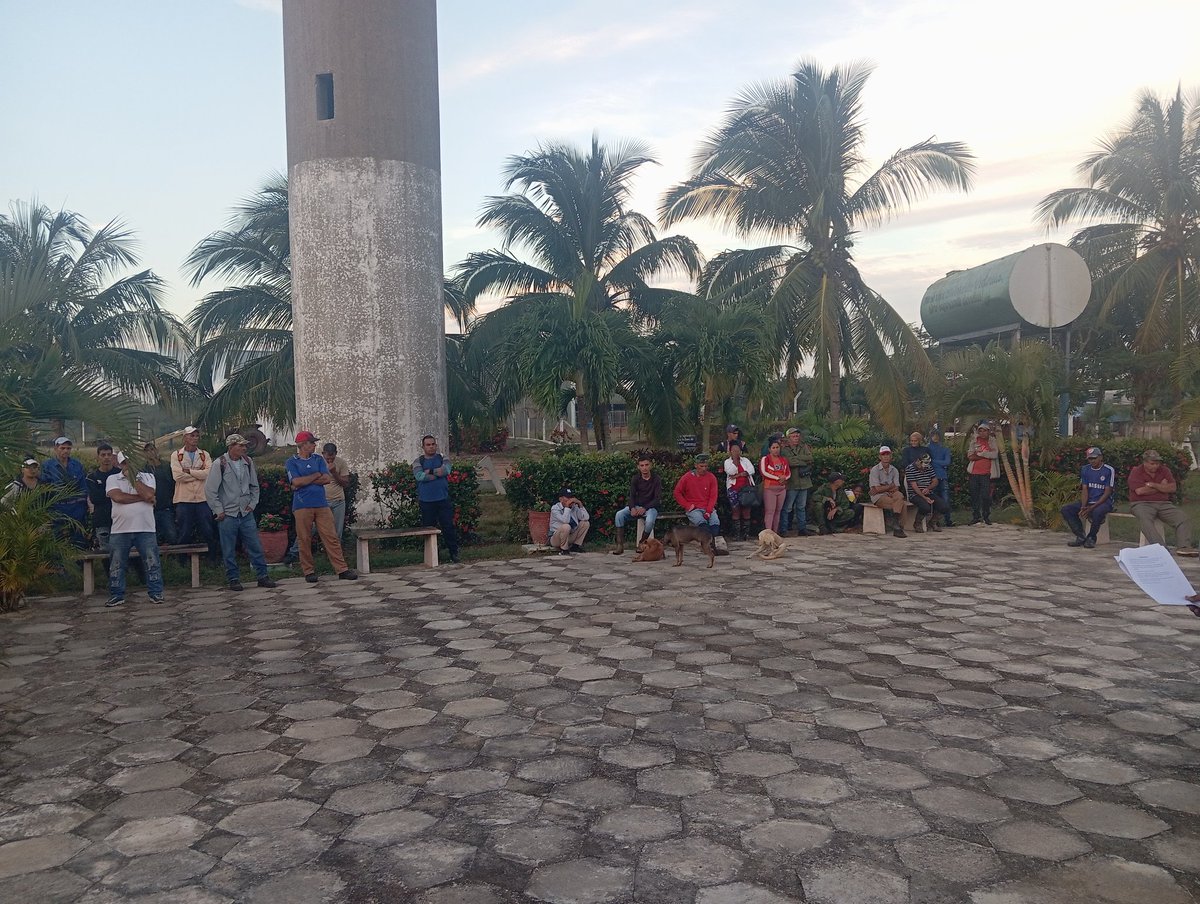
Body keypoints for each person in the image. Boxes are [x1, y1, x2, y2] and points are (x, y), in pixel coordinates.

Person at [205, 433, 279, 591]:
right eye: (241, 445)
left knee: (255, 546)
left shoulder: (248, 461)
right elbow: (211, 490)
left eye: (245, 445)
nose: (244, 448)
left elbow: (254, 486)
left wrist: (253, 503)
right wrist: (219, 510)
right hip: (228, 514)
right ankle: (233, 578)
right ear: (231, 447)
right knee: (228, 549)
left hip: (245, 512)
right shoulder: (220, 463)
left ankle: (262, 576)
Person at [286, 430, 357, 582]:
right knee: (304, 538)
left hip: (321, 504)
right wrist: (314, 476)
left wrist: (305, 480)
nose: (314, 445)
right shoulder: (292, 461)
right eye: (311, 442)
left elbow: (325, 479)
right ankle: (308, 571)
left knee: (331, 537)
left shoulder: (318, 459)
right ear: (303, 445)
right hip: (302, 505)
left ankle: (342, 569)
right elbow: (295, 482)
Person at [105, 451, 164, 607]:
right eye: (125, 463)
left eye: (131, 462)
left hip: (145, 527)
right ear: (119, 464)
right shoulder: (112, 478)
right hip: (120, 529)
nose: (128, 465)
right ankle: (117, 594)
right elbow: (118, 497)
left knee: (152, 562)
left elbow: (150, 493)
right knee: (117, 564)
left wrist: (133, 479)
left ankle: (156, 592)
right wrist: (144, 498)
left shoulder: (148, 477)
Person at [1128, 449, 1196, 556]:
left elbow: (1173, 488)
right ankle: (1161, 549)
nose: (1155, 466)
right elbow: (1140, 491)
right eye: (1152, 463)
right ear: (1145, 462)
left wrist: (1153, 485)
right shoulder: (1136, 471)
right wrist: (1162, 486)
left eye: (1157, 463)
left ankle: (1184, 547)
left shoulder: (1164, 470)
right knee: (1146, 521)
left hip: (1163, 503)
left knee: (1182, 518)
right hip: (1141, 503)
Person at [413, 434, 460, 564]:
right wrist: (436, 473)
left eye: (433, 444)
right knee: (428, 530)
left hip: (443, 499)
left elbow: (446, 470)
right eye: (428, 445)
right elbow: (419, 476)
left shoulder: (443, 458)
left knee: (448, 527)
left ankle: (454, 552)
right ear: (423, 447)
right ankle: (433, 556)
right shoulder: (418, 461)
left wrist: (429, 471)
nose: (431, 447)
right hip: (426, 501)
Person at [1061, 446, 1116, 549]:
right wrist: (1083, 506)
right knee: (1066, 509)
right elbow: (1085, 489)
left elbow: (1108, 492)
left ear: (1101, 457)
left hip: (1104, 502)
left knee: (1097, 512)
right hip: (1089, 501)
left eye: (1094, 458)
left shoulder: (1108, 470)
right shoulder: (1085, 469)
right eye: (1090, 458)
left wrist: (1092, 507)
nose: (1092, 461)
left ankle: (1091, 538)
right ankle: (1080, 536)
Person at [172, 427, 215, 554]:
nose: (195, 438)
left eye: (197, 435)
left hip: (202, 498)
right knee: (184, 531)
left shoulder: (204, 454)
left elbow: (209, 473)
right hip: (184, 499)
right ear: (185, 437)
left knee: (208, 530)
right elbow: (177, 476)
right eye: (192, 436)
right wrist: (199, 474)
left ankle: (212, 557)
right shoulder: (176, 455)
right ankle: (182, 560)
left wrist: (190, 471)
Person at [40, 436, 88, 547]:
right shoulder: (47, 466)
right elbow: (44, 489)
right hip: (57, 508)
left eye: (68, 448)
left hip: (76, 508)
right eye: (62, 448)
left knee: (78, 541)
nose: (65, 451)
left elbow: (83, 487)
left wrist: (82, 506)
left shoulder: (77, 465)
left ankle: (79, 564)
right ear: (56, 449)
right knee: (58, 541)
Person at [613, 455, 662, 554]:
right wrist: (632, 508)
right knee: (619, 515)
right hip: (636, 506)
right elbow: (631, 496)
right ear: (638, 467)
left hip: (650, 508)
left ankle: (641, 543)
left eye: (646, 465)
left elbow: (657, 499)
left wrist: (645, 508)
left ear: (650, 466)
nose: (644, 468)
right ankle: (619, 545)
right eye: (642, 465)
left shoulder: (656, 479)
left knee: (649, 521)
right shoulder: (635, 478)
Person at [673, 453, 722, 547]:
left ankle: (712, 542)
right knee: (701, 521)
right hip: (693, 508)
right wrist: (687, 505)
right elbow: (677, 492)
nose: (704, 468)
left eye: (706, 466)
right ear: (696, 465)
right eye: (701, 466)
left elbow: (713, 496)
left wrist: (709, 510)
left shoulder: (711, 477)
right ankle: (709, 543)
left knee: (715, 521)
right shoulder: (687, 477)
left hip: (707, 506)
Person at [86, 443, 122, 554]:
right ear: (98, 457)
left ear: (112, 456)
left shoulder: (120, 474)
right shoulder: (92, 477)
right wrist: (114, 494)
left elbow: (123, 495)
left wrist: (114, 495)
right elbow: (95, 498)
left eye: (109, 454)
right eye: (103, 455)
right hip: (102, 520)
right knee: (105, 552)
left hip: (120, 519)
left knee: (122, 552)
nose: (106, 457)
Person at [779, 427, 814, 537]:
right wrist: (803, 461)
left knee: (801, 507)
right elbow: (789, 462)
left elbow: (810, 458)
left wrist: (798, 459)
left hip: (804, 482)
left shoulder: (803, 446)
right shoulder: (784, 449)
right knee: (787, 507)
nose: (796, 438)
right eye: (793, 436)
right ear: (788, 438)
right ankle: (784, 529)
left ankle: (802, 529)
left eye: (797, 436)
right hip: (792, 482)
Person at [143, 442, 177, 545]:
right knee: (153, 538)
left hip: (166, 507)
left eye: (152, 449)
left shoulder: (167, 466)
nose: (150, 452)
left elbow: (173, 483)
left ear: (156, 450)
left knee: (172, 536)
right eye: (147, 451)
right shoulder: (143, 469)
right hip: (150, 508)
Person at [869, 446, 908, 538]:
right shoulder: (875, 470)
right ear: (880, 457)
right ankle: (898, 527)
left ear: (891, 456)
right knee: (902, 505)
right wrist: (890, 486)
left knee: (900, 495)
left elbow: (897, 487)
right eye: (883, 455)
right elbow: (877, 490)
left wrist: (883, 487)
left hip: (892, 494)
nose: (886, 457)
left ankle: (896, 525)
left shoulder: (894, 470)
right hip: (879, 496)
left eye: (887, 454)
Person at [905, 452, 948, 533]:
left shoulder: (929, 467)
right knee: (925, 507)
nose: (924, 468)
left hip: (928, 492)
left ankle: (933, 522)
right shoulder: (910, 469)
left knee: (944, 506)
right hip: (915, 494)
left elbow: (935, 481)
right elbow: (914, 487)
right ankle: (917, 523)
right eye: (923, 465)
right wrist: (925, 498)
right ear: (918, 461)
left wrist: (928, 488)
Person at [966, 423, 999, 525]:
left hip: (986, 473)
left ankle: (986, 516)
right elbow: (970, 456)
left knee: (986, 496)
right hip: (974, 473)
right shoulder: (974, 441)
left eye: (984, 430)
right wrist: (984, 456)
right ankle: (976, 517)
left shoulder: (992, 441)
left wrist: (981, 454)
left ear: (988, 431)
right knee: (974, 496)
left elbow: (994, 454)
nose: (982, 433)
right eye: (980, 431)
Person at [722, 442, 756, 541]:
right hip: (733, 489)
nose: (736, 452)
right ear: (730, 452)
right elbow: (730, 472)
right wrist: (735, 462)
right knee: (735, 510)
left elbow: (750, 471)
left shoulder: (745, 460)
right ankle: (736, 534)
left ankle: (746, 534)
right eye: (734, 450)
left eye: (738, 450)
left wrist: (738, 475)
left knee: (746, 511)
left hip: (746, 489)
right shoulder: (727, 462)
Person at [759, 437, 791, 534]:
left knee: (778, 511)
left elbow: (788, 473)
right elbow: (764, 472)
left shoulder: (783, 460)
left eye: (777, 447)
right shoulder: (766, 459)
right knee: (770, 511)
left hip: (781, 489)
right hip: (770, 488)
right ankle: (768, 533)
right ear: (769, 449)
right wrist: (777, 478)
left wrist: (785, 478)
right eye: (773, 448)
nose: (776, 449)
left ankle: (775, 532)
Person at [548, 487, 590, 555]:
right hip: (556, 538)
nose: (570, 500)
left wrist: (580, 504)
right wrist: (567, 507)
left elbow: (586, 517)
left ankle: (575, 546)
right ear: (560, 499)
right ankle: (564, 549)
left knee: (585, 523)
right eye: (567, 497)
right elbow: (565, 521)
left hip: (570, 535)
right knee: (566, 526)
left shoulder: (574, 507)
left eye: (571, 497)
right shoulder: (555, 509)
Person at [928, 430, 954, 527]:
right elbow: (927, 462)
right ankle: (934, 520)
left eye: (937, 435)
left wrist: (933, 461)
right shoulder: (928, 449)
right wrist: (940, 463)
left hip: (943, 477)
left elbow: (947, 462)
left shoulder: (944, 449)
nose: (935, 437)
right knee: (933, 499)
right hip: (931, 477)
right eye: (933, 435)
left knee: (945, 499)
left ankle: (948, 520)